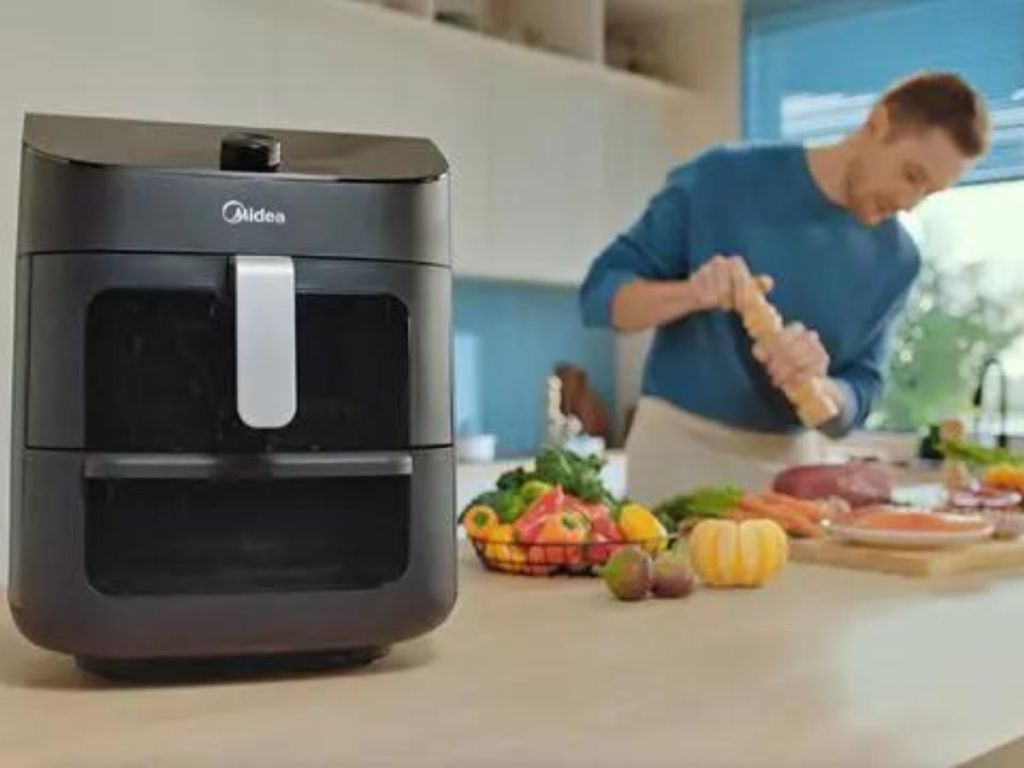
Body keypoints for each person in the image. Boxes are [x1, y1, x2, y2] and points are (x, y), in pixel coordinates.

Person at [580, 71, 990, 504]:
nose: (910, 201)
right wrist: (691, 293)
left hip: (795, 471)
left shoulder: (898, 259)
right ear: (878, 123)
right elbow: (602, 296)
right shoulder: (720, 179)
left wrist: (820, 383)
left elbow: (862, 388)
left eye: (930, 191)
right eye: (911, 174)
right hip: (678, 452)